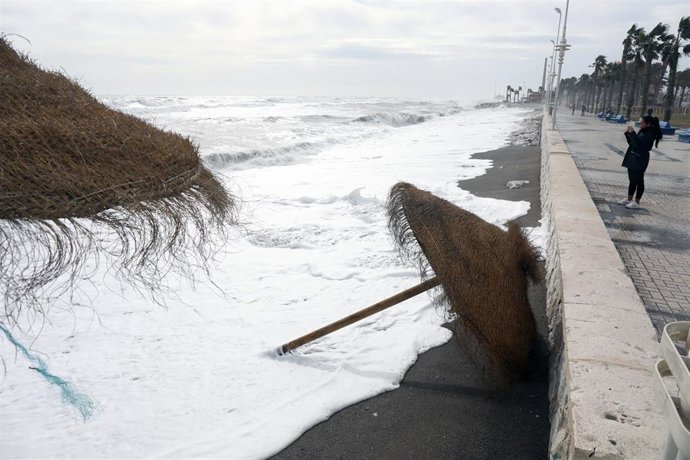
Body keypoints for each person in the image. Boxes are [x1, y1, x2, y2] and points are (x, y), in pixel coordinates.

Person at [619, 115, 655, 209]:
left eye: (642, 123)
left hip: (640, 159)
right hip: (634, 158)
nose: (640, 124)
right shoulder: (642, 132)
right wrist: (628, 134)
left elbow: (638, 145)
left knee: (638, 181)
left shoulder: (649, 135)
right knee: (632, 180)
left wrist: (632, 133)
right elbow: (632, 143)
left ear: (648, 124)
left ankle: (637, 202)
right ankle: (629, 199)